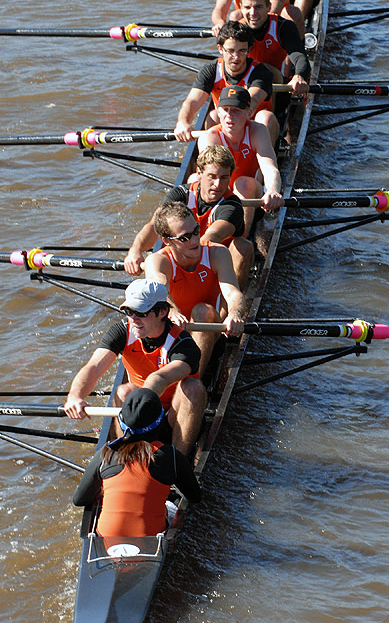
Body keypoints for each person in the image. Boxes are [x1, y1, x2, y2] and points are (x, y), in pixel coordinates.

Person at [64, 280, 206, 457]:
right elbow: (93, 367)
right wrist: (75, 396)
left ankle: (178, 460)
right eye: (129, 311)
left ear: (162, 312)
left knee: (193, 388)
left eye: (141, 312)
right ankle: (121, 455)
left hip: (175, 417)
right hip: (139, 415)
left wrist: (139, 404)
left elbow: (160, 379)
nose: (133, 319)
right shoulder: (122, 331)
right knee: (123, 391)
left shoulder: (183, 344)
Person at [72, 388, 202, 538]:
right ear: (160, 424)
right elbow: (194, 497)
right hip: (150, 537)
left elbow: (79, 500)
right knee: (174, 504)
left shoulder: (106, 453)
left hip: (106, 538)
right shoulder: (171, 456)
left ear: (121, 423)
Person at [124, 144, 254, 290]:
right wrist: (135, 251)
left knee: (243, 246)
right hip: (186, 260)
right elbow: (154, 226)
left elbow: (212, 236)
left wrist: (167, 258)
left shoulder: (232, 205)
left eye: (224, 177)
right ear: (199, 172)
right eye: (212, 176)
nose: (218, 185)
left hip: (218, 267)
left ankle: (236, 304)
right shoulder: (181, 195)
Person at [144, 202, 246, 378]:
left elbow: (233, 293)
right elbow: (158, 289)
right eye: (184, 238)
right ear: (167, 240)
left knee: (202, 311)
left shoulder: (217, 253)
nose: (194, 241)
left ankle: (193, 379)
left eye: (196, 231)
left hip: (211, 326)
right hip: (176, 331)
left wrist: (235, 313)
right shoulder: (158, 261)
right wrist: (173, 311)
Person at [173, 21, 279, 146]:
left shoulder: (261, 73)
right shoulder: (211, 70)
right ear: (220, 49)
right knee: (213, 116)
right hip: (225, 125)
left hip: (254, 131)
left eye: (242, 51)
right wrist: (183, 122)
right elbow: (192, 101)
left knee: (265, 117)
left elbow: (252, 101)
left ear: (249, 50)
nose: (236, 57)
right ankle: (214, 159)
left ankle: (262, 163)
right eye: (231, 50)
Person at [197, 85, 283, 235]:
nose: (229, 116)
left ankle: (242, 237)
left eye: (236, 111)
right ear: (218, 111)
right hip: (220, 194)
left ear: (249, 113)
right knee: (193, 180)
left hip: (251, 195)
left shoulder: (258, 131)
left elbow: (270, 168)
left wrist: (273, 190)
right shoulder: (209, 137)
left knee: (243, 183)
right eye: (225, 110)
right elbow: (207, 180)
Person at [238, 0, 310, 97]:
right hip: (245, 82)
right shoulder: (237, 30)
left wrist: (299, 76)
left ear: (269, 7)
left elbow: (299, 56)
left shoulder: (284, 27)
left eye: (258, 7)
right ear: (240, 8)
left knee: (265, 70)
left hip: (277, 85)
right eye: (247, 7)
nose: (252, 13)